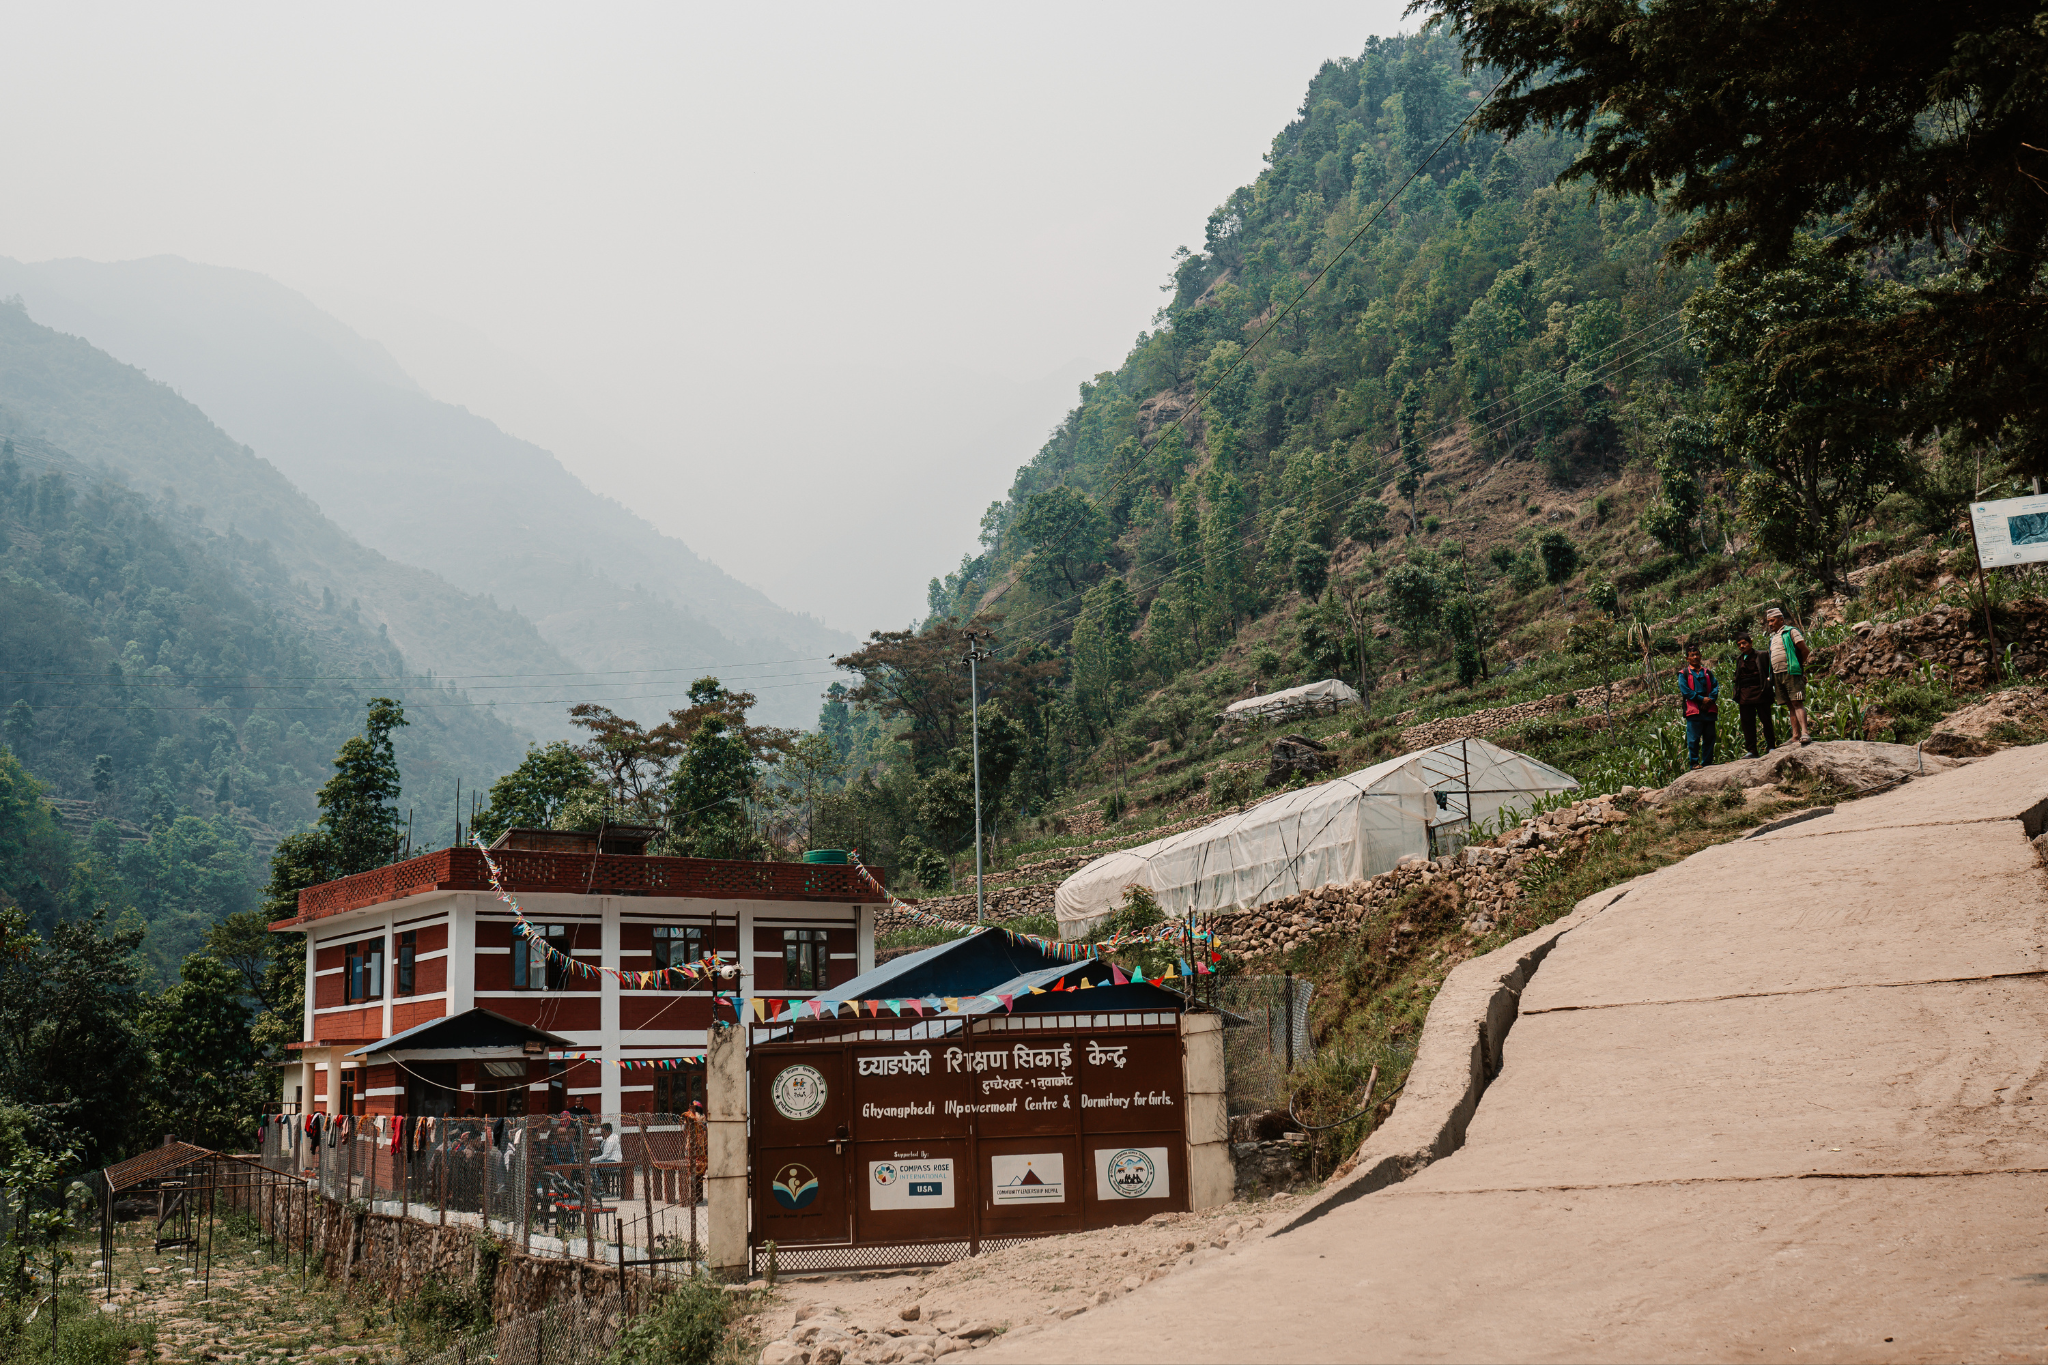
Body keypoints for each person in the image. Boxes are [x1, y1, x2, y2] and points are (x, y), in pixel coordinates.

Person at [1764, 607, 1813, 746]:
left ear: (1781, 619)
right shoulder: (1774, 638)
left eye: (1772, 620)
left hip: (1791, 672)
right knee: (1790, 705)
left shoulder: (1791, 631)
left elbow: (1805, 650)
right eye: (1768, 621)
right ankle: (1795, 736)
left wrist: (1798, 667)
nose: (1770, 624)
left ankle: (1805, 733)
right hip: (1778, 675)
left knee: (1797, 702)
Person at [1731, 632, 1778, 758]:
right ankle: (1752, 750)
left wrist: (1770, 683)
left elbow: (1771, 670)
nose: (1742, 646)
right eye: (1739, 644)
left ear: (1751, 643)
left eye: (1744, 643)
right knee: (1747, 723)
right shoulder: (1739, 659)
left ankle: (1771, 746)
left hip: (1761, 693)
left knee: (1766, 721)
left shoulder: (1762, 655)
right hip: (1745, 695)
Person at [1677, 645, 1720, 769]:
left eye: (1697, 654)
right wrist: (1702, 699)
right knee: (1693, 739)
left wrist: (1710, 699)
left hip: (1709, 709)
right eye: (1692, 655)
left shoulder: (1707, 672)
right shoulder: (1683, 674)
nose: (1695, 657)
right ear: (1687, 658)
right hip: (1694, 710)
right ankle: (1694, 763)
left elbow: (1715, 686)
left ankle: (1707, 763)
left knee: (1710, 737)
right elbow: (1685, 691)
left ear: (1700, 656)